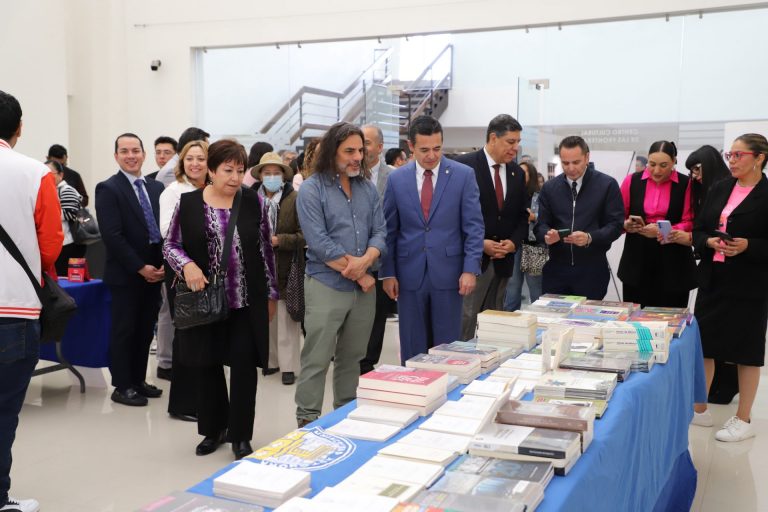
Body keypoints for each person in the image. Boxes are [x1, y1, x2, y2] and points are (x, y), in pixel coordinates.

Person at [164, 139, 278, 459]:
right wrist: (187, 265)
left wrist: (271, 293)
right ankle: (214, 430)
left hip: (245, 302)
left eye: (240, 171)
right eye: (228, 170)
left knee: (244, 367)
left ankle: (241, 435)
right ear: (211, 171)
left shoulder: (254, 202)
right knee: (207, 365)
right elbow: (170, 245)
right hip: (205, 301)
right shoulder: (188, 204)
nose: (235, 178)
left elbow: (266, 251)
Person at [295, 122, 385, 427]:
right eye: (349, 151)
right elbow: (320, 243)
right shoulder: (312, 189)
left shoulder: (367, 188)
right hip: (326, 285)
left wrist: (367, 260)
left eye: (360, 150)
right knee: (317, 358)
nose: (358, 157)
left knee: (352, 358)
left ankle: (345, 418)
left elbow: (380, 232)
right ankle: (307, 421)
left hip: (363, 293)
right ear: (332, 152)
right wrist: (360, 274)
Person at [0, 90, 62, 512]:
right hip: (15, 309)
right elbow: (51, 245)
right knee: (3, 412)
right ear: (19, 129)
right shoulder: (35, 174)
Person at [381, 115, 484, 361]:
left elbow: (474, 227)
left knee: (446, 348)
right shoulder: (396, 179)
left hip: (449, 274)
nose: (432, 155)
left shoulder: (463, 175)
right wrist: (388, 273)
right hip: (408, 274)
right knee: (412, 345)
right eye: (424, 150)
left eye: (437, 148)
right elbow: (389, 230)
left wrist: (470, 269)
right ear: (411, 146)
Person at [690, 133, 768, 442]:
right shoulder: (720, 188)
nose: (732, 161)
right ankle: (699, 409)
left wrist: (749, 245)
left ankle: (743, 419)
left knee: (747, 351)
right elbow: (699, 229)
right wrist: (708, 241)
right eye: (729, 155)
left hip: (750, 284)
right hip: (713, 278)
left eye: (739, 155)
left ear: (759, 158)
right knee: (704, 345)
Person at [95, 133, 166, 407]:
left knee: (145, 330)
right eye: (124, 151)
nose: (131, 155)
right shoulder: (108, 189)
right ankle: (122, 385)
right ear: (116, 156)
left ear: (144, 154)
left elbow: (161, 230)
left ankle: (138, 380)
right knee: (124, 330)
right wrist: (139, 267)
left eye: (135, 150)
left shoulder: (156, 188)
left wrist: (161, 264)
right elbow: (112, 236)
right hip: (126, 274)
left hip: (154, 273)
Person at [454, 114, 528, 339]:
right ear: (493, 138)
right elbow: (452, 217)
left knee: (494, 323)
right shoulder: (463, 166)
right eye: (510, 142)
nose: (515, 148)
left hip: (503, 263)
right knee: (465, 321)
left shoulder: (516, 174)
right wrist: (480, 244)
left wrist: (513, 243)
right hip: (472, 262)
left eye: (518, 142)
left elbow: (521, 217)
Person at [157, 140, 209, 422]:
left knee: (204, 336)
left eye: (201, 158)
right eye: (190, 159)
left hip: (208, 271)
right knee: (187, 335)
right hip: (182, 270)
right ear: (182, 162)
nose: (195, 164)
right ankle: (182, 404)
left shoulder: (212, 190)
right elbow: (167, 232)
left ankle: (203, 398)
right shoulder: (174, 192)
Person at [535, 136, 624, 299]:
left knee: (588, 315)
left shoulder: (607, 185)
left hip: (592, 270)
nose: (570, 168)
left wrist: (590, 237)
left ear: (587, 157)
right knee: (552, 314)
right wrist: (547, 236)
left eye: (576, 162)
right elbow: (540, 226)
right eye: (565, 163)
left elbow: (616, 225)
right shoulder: (549, 188)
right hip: (556, 270)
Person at [685, 145, 737, 405]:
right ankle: (712, 385)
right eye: (692, 171)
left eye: (697, 169)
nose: (695, 176)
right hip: (710, 268)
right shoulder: (707, 191)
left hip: (735, 271)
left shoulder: (730, 189)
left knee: (729, 333)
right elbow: (700, 229)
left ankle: (727, 384)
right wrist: (700, 239)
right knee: (708, 333)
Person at [617, 141, 697, 307]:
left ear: (674, 161)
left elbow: (690, 222)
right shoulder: (632, 181)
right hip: (636, 260)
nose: (657, 170)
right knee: (635, 315)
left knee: (672, 316)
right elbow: (617, 217)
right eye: (652, 164)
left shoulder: (686, 184)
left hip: (674, 262)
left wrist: (662, 230)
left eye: (663, 165)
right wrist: (626, 225)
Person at [251, 152, 304, 385]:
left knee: (287, 317)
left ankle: (289, 366)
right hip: (259, 266)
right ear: (260, 175)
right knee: (267, 316)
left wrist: (279, 240)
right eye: (267, 173)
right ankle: (270, 360)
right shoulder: (251, 198)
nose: (271, 177)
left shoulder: (295, 199)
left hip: (287, 266)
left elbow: (304, 235)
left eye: (276, 173)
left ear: (283, 176)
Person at [360, 124, 396, 374]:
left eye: (367, 142)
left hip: (383, 259)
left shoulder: (394, 177)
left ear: (380, 147)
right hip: (352, 259)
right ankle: (351, 358)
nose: (362, 148)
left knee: (377, 316)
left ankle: (367, 362)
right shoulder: (346, 175)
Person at [504, 161, 545, 310]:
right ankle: (510, 317)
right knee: (512, 285)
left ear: (531, 175)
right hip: (514, 244)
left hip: (534, 246)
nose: (519, 174)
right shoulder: (511, 193)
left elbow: (548, 217)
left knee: (535, 286)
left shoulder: (540, 195)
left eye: (524, 172)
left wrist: (535, 217)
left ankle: (539, 317)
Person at [48, 160, 86, 276]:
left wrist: (46, 214)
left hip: (69, 243)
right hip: (59, 243)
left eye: (50, 173)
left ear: (61, 174)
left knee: (65, 277)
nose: (47, 177)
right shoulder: (52, 190)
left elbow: (71, 213)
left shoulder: (66, 190)